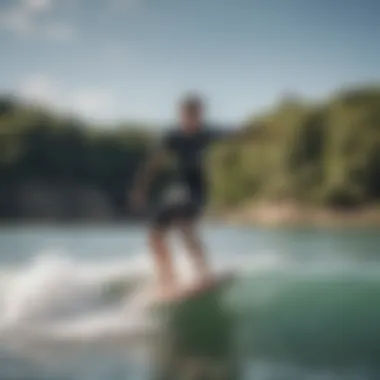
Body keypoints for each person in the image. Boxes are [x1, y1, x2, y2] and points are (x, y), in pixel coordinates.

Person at [129, 93, 252, 299]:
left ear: (201, 115)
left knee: (186, 227)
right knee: (155, 235)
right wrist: (140, 189)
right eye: (189, 114)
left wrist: (249, 131)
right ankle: (167, 278)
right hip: (177, 191)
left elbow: (233, 134)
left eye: (197, 114)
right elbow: (153, 164)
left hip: (197, 191)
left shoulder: (206, 134)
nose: (193, 118)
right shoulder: (173, 137)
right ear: (181, 115)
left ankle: (204, 274)